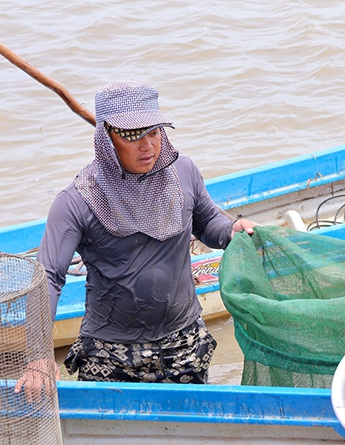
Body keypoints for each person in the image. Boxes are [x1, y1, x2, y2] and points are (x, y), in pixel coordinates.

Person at [18, 80, 256, 389]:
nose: (147, 146)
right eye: (132, 136)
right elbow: (47, 277)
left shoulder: (184, 171)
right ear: (107, 139)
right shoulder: (77, 200)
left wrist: (231, 230)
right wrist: (37, 356)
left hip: (183, 341)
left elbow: (208, 221)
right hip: (111, 352)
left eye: (153, 133)